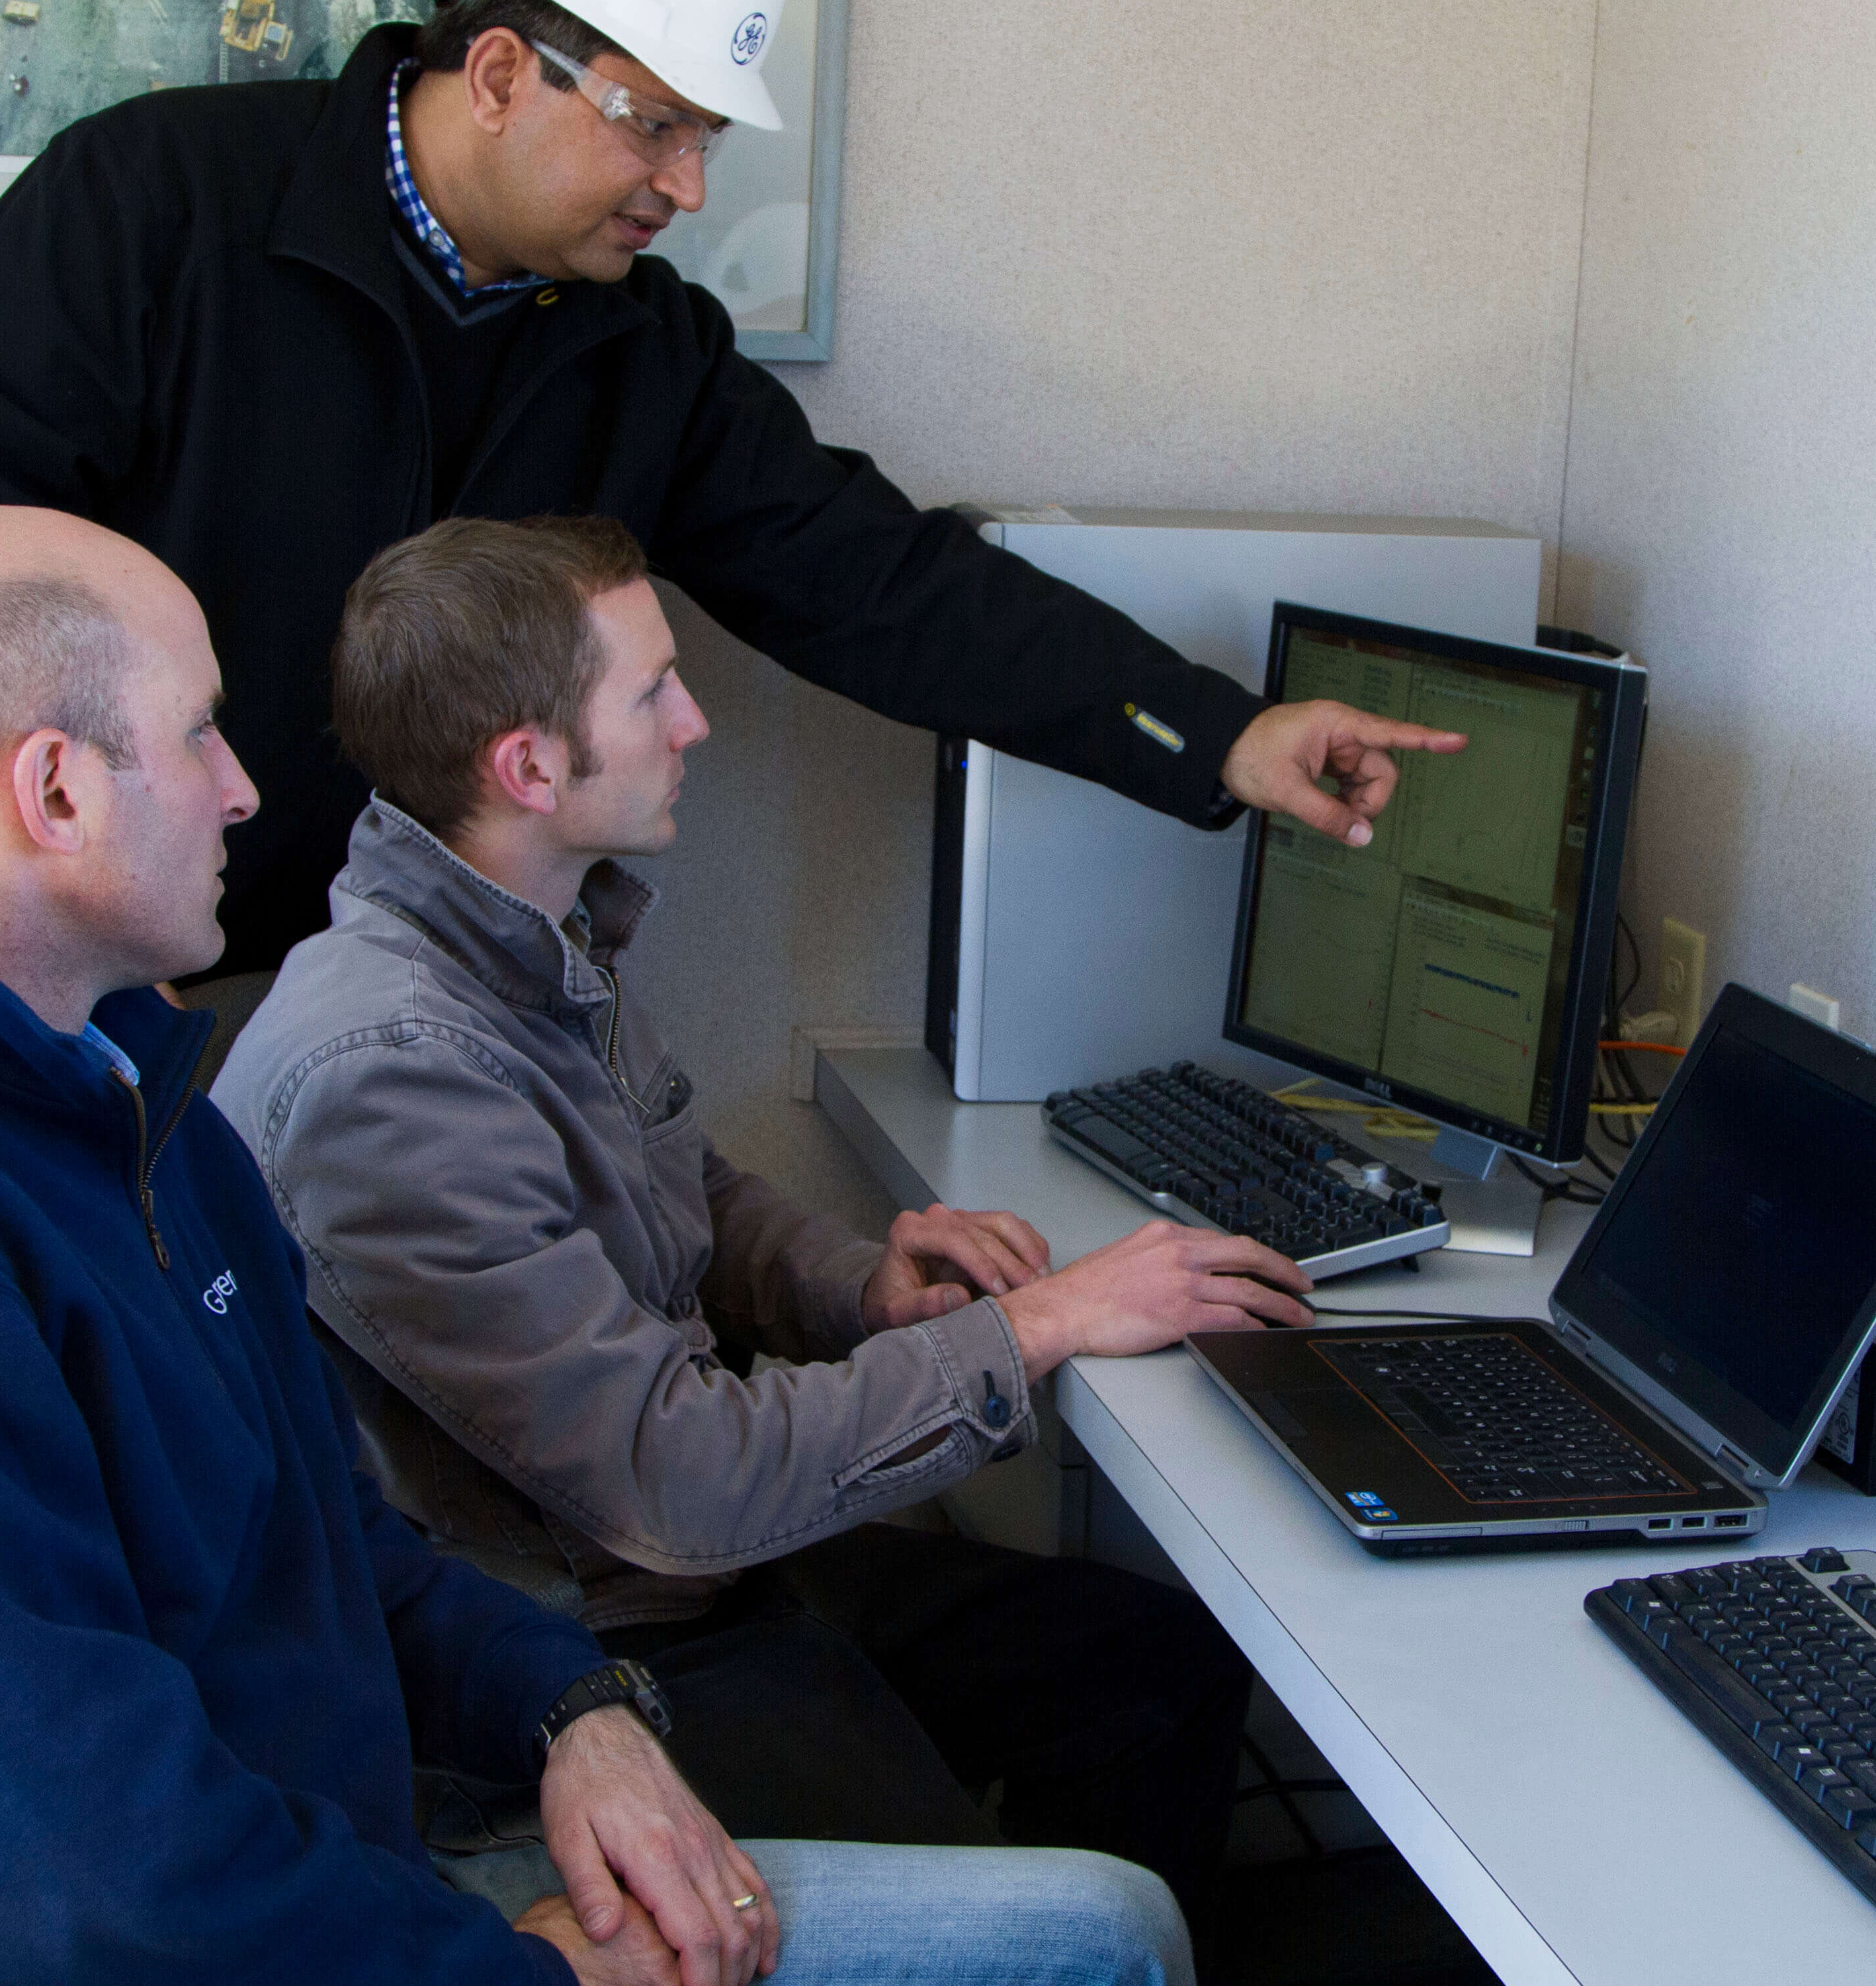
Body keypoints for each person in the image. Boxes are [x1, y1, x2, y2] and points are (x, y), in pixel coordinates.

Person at [0, 503, 1189, 1986]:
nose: (251, 791)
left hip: (350, 1859)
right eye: (198, 736)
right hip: (332, 1916)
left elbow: (325, 1533)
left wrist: (572, 1705)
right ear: (52, 790)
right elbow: (92, 1902)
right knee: (1098, 1944)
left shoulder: (113, 1092)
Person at [0, 0, 1460, 992]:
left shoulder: (645, 352)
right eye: (655, 128)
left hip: (440, 1018)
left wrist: (1221, 736)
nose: (686, 188)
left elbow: (887, 588)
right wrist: (17, 991)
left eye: (710, 141)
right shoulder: (145, 213)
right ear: (498, 75)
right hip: (104, 1000)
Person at [211, 515, 1316, 1930]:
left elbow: (688, 1190)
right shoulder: (391, 1072)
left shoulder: (525, 930)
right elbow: (681, 1479)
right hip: (584, 1657)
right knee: (1074, 1927)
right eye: (652, 692)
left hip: (679, 1580)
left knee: (1155, 1670)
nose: (698, 721)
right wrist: (1037, 1325)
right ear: (529, 765)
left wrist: (870, 1287)